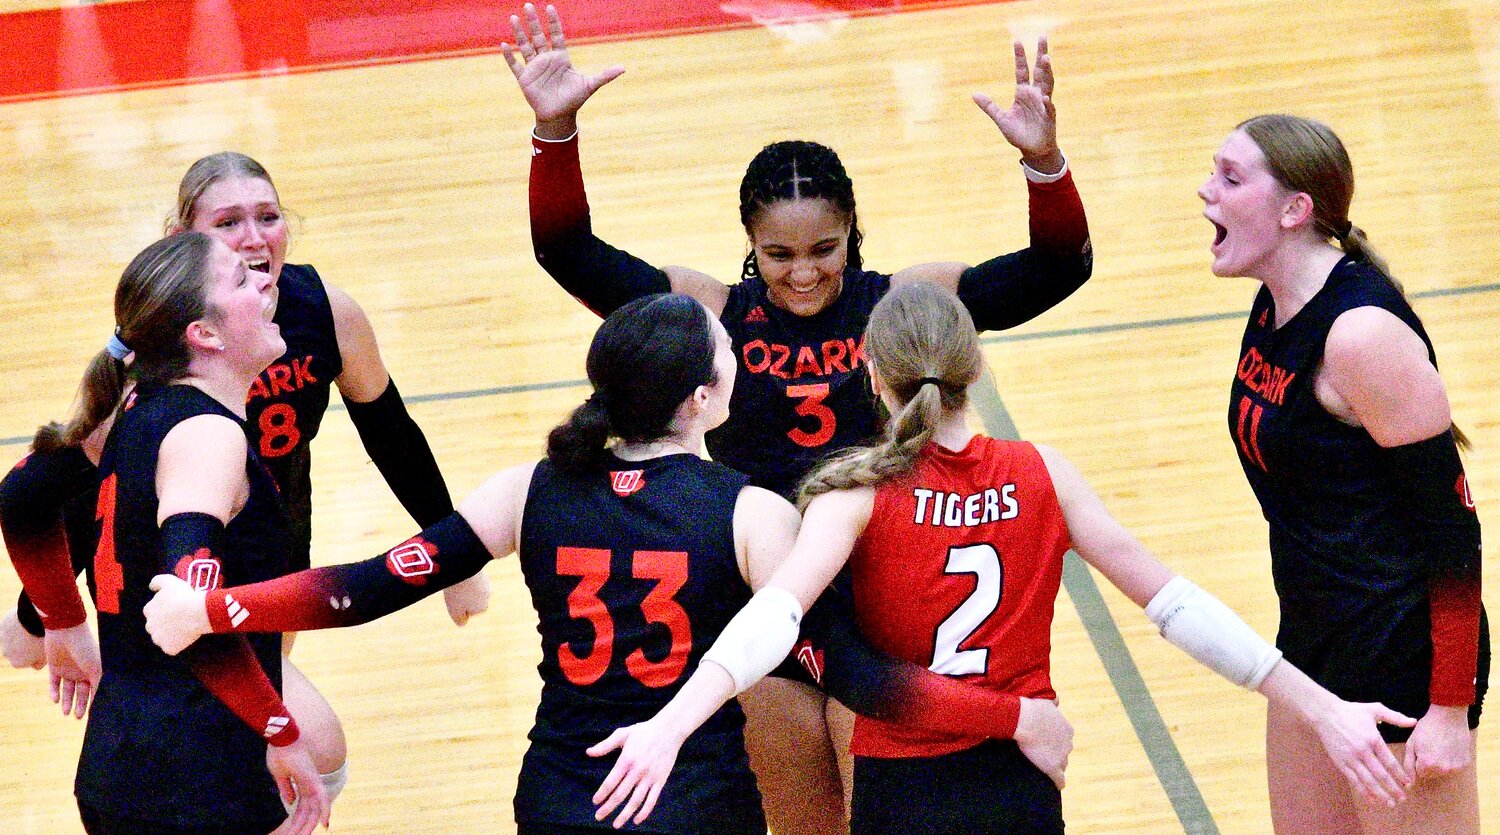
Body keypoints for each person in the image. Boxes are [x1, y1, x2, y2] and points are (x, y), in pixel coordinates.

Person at [139, 293, 1073, 832]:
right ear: (705, 400)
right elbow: (853, 673)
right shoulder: (749, 513)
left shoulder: (531, 489)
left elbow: (372, 584)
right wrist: (1008, 714)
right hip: (692, 801)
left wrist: (221, 609)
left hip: (561, 796)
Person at [505, 5, 1093, 828]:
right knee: (802, 823)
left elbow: (1058, 269)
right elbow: (568, 252)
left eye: (825, 249)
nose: (804, 274)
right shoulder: (708, 311)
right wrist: (555, 130)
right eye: (779, 255)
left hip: (878, 601)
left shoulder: (898, 303)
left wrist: (1044, 163)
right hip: (760, 593)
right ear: (749, 240)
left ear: (852, 230)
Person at [585, 282, 1420, 834]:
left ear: (870, 371)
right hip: (1019, 779)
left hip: (903, 787)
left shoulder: (851, 493)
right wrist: (1321, 705)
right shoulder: (1042, 475)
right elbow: (1175, 607)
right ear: (975, 367)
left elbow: (774, 622)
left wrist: (668, 724)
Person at [1, 150, 489, 789]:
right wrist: (50, 616)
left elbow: (392, 434)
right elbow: (78, 494)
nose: (255, 240)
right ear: (183, 243)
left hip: (269, 544)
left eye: (269, 216)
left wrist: (456, 553)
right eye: (229, 224)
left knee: (280, 741)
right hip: (181, 583)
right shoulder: (160, 369)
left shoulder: (325, 314)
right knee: (294, 746)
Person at [1200, 114, 1489, 834]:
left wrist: (1448, 710)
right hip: (1310, 641)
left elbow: (1454, 536)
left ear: (1296, 210)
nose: (1205, 192)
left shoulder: (1359, 336)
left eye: (1230, 178)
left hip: (1400, 664)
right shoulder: (1274, 300)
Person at [7, 233, 331, 833]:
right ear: (202, 335)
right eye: (240, 279)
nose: (265, 279)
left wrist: (62, 618)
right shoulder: (209, 436)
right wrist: (279, 728)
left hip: (121, 765)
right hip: (199, 780)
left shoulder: (132, 408)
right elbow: (191, 609)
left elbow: (22, 497)